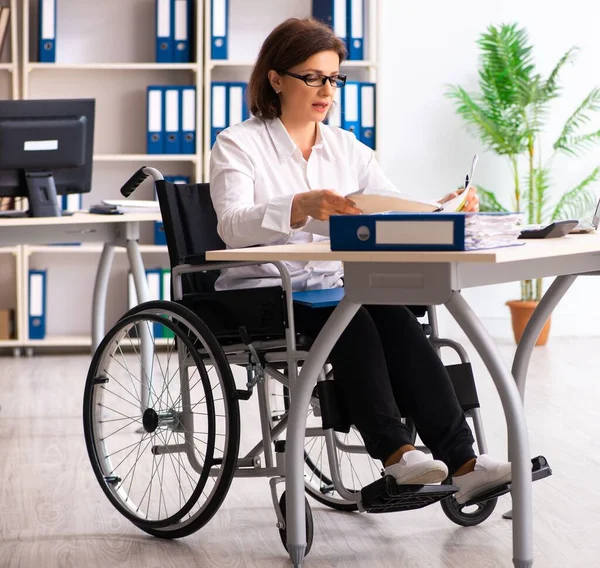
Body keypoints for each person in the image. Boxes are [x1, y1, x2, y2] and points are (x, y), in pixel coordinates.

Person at [210, 17, 511, 504]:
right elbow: (231, 224)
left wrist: (443, 205)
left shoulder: (346, 147)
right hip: (264, 291)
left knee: (394, 315)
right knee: (354, 320)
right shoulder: (239, 143)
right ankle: (396, 454)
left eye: (333, 78)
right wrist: (299, 206)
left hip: (333, 286)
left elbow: (391, 208)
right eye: (312, 76)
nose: (325, 89)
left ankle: (465, 462)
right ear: (275, 78)